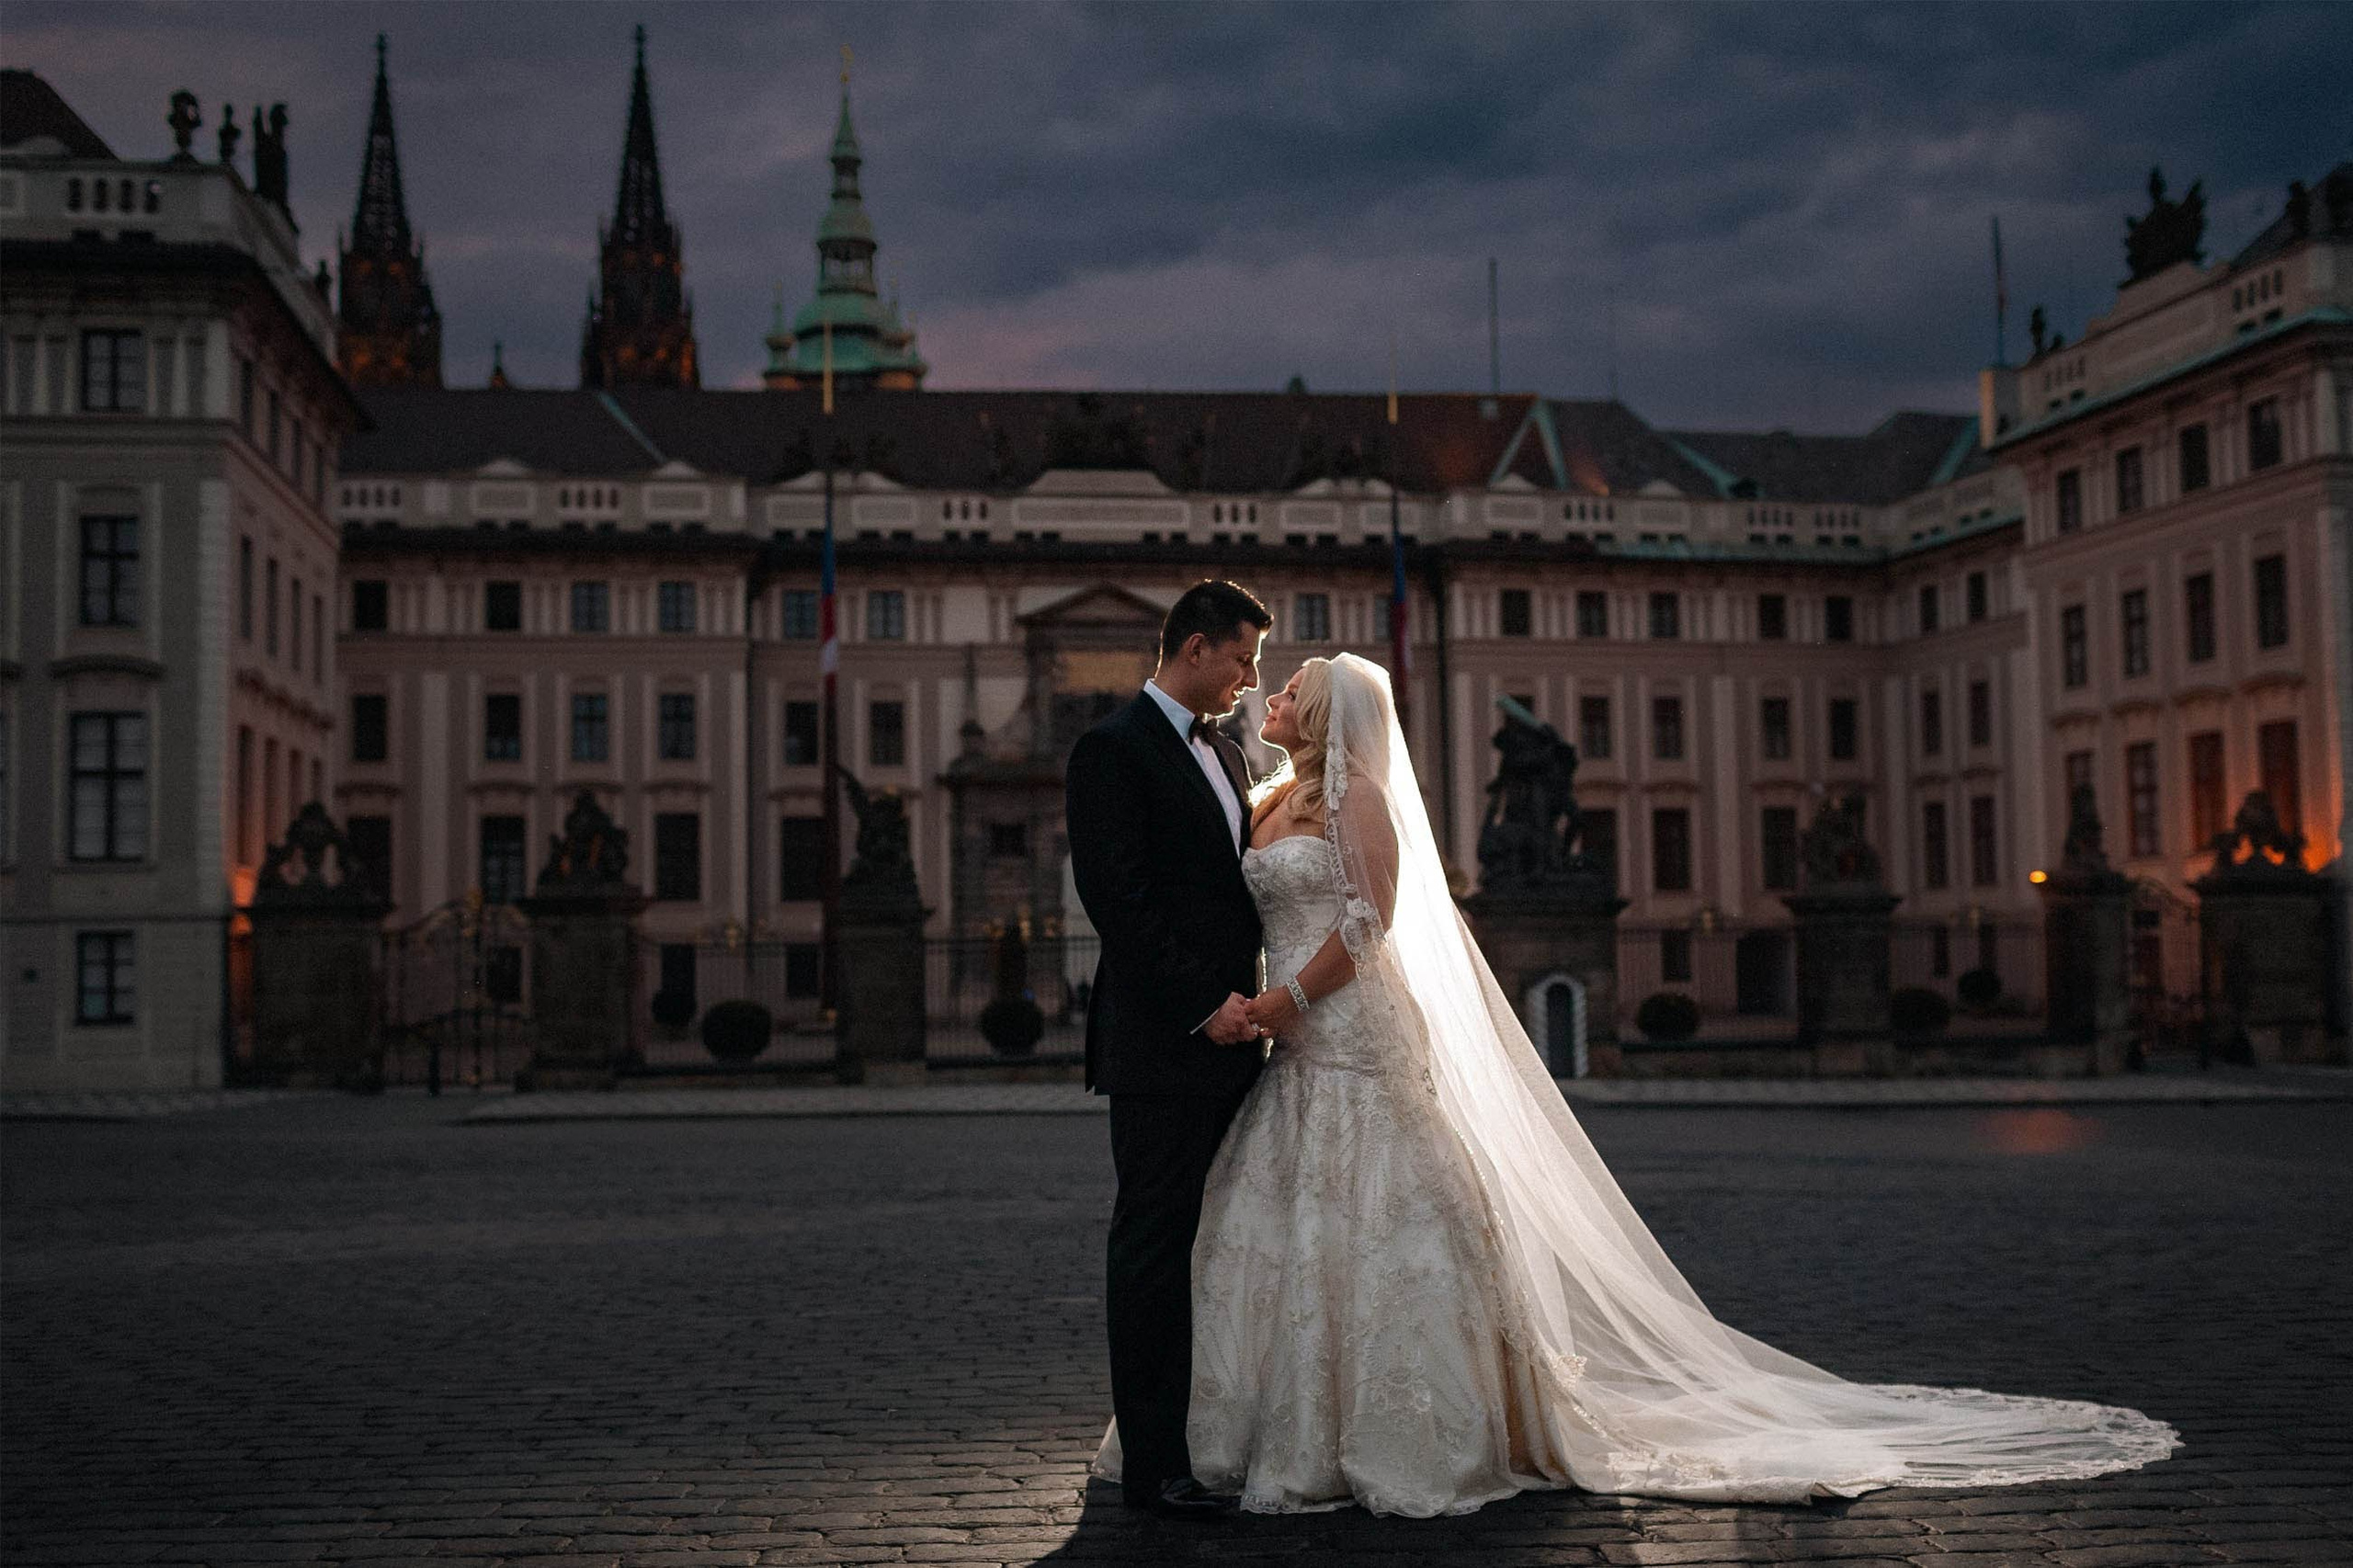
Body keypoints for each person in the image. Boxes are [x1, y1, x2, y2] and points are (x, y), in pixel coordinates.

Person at [1093, 653, 2178, 1517]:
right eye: (1263, 674)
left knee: (1389, 1217)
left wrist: (1280, 1004)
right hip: (1287, 1049)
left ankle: (1405, 1428)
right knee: (1271, 1227)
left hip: (1348, 1031)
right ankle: (1262, 1425)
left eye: (1287, 685)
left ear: (1326, 711)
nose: (1267, 690)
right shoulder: (1270, 792)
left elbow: (1369, 926)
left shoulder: (1363, 798)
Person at [1064, 579, 1272, 1519]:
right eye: (1241, 657)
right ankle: (1155, 1462)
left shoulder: (1226, 751)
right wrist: (1204, 1005)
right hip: (1163, 1042)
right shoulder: (1110, 749)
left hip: (1236, 1039)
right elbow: (1121, 901)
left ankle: (1215, 1429)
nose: (1249, 677)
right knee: (1151, 1245)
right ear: (1194, 648)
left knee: (1219, 1245)